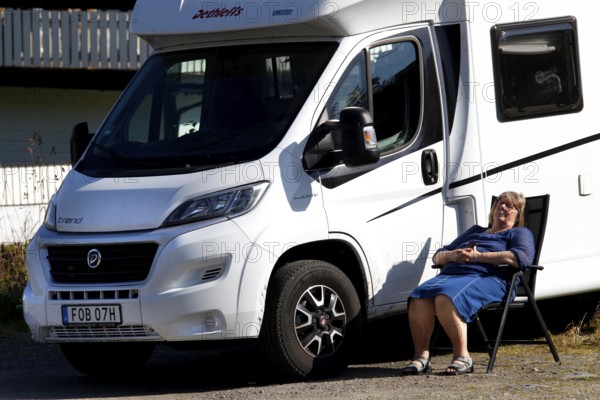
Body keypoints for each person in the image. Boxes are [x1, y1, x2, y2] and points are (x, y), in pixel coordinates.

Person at [400, 191, 535, 375]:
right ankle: (421, 357)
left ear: (518, 214)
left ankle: (462, 357)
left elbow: (522, 258)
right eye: (499, 203)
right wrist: (452, 255)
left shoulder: (519, 233)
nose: (502, 207)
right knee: (418, 297)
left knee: (445, 297)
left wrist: (479, 257)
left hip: (491, 278)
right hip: (454, 275)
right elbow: (438, 256)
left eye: (509, 205)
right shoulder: (475, 231)